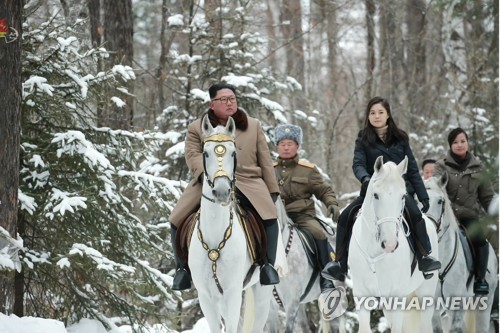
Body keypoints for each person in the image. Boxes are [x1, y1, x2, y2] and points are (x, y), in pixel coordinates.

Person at [168, 83, 281, 290]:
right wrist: (205, 176)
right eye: (224, 99)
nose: (230, 103)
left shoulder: (253, 125)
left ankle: (267, 266)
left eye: (232, 98)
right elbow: (192, 155)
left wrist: (272, 190)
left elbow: (265, 158)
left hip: (248, 181)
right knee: (176, 218)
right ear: (212, 104)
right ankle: (182, 269)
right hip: (209, 181)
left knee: (270, 217)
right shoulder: (196, 128)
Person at [323, 96, 441, 281]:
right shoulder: (363, 139)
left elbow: (411, 169)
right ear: (368, 116)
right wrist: (366, 179)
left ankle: (424, 256)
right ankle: (340, 264)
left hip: (397, 194)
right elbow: (358, 164)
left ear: (387, 115)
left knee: (416, 215)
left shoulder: (401, 138)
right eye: (372, 113)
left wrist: (422, 195)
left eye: (380, 112)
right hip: (373, 192)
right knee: (345, 216)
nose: (376, 116)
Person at [273, 124, 340, 292]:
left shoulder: (308, 170)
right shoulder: (269, 170)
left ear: (298, 146)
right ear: (276, 146)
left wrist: (331, 203)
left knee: (318, 233)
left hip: (302, 216)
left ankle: (326, 278)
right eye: (282, 144)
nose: (286, 147)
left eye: (290, 143)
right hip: (276, 218)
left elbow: (324, 190)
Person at [434, 127, 496, 295]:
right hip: (446, 217)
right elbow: (437, 192)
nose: (460, 145)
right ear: (450, 145)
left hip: (469, 217)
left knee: (481, 242)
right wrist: (450, 210)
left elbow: (487, 197)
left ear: (468, 143)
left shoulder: (478, 167)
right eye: (455, 142)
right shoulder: (440, 166)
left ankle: (480, 279)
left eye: (463, 141)